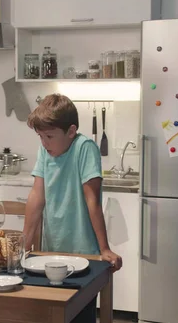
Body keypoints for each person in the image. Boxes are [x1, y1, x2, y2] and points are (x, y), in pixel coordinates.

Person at [23, 93, 122, 266]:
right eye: (40, 136)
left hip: (85, 254)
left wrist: (104, 248)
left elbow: (92, 200)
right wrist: (23, 246)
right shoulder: (44, 152)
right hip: (52, 251)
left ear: (71, 131)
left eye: (50, 136)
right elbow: (37, 196)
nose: (44, 143)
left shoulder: (84, 148)